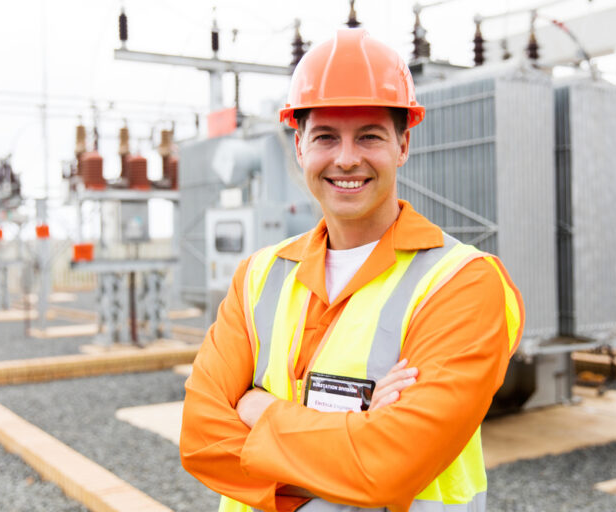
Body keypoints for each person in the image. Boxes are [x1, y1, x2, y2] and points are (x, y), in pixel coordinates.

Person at [180, 28, 524, 512]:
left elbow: (390, 465)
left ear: (403, 145)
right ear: (298, 147)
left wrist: (259, 410)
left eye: (369, 136)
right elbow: (199, 437)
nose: (346, 158)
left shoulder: (462, 282)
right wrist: (357, 436)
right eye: (325, 137)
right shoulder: (258, 277)